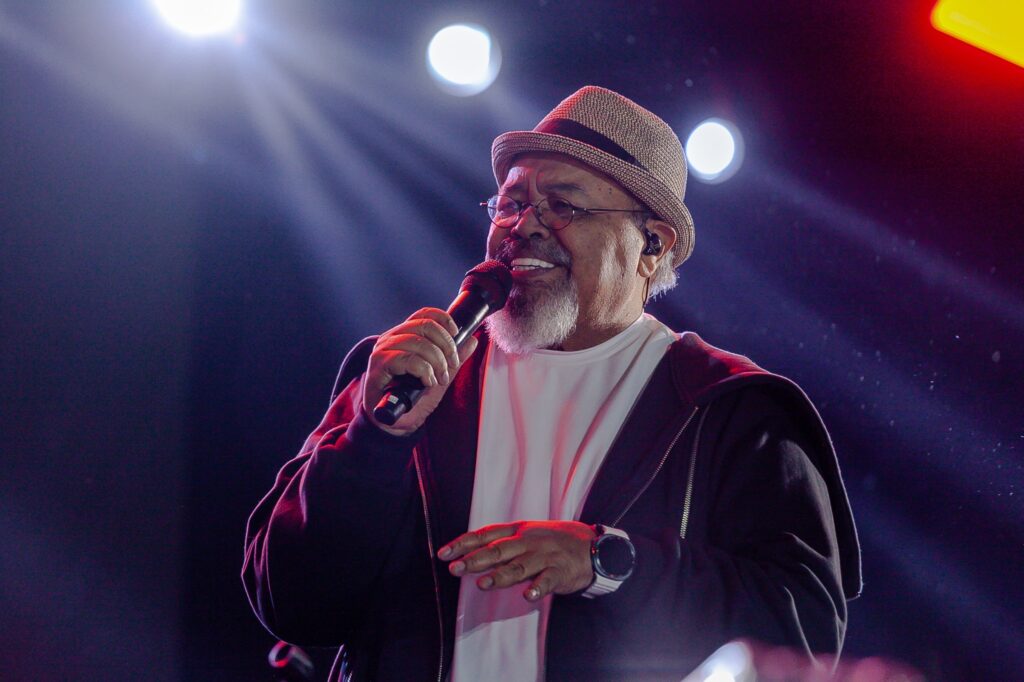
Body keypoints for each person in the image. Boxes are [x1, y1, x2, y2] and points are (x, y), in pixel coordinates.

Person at [242, 86, 861, 682]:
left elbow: (802, 633)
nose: (523, 226)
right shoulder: (409, 378)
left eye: (563, 205)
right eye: (510, 203)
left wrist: (606, 563)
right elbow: (290, 602)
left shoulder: (729, 407)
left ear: (652, 244)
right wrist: (374, 441)